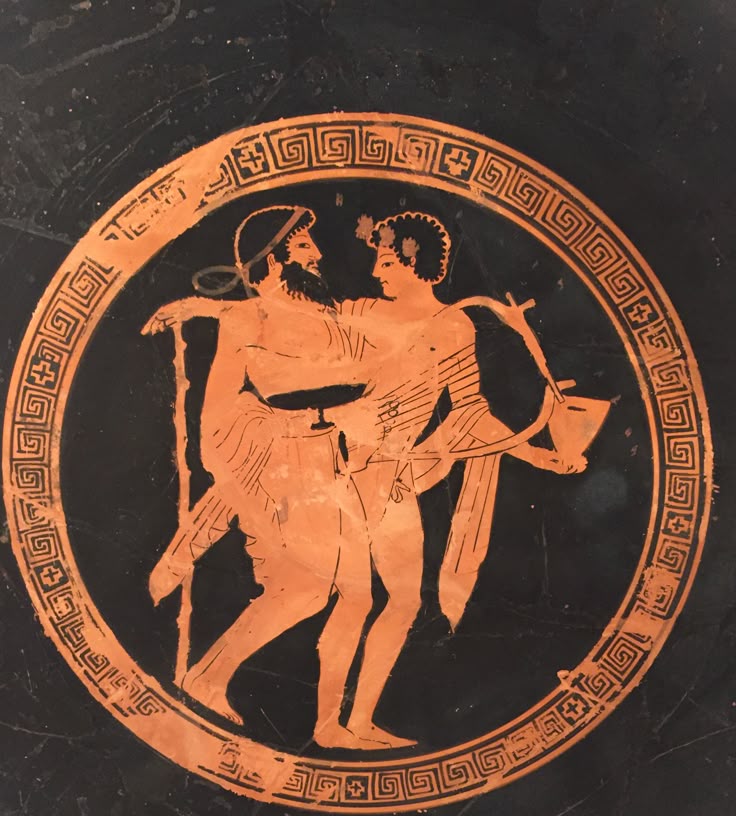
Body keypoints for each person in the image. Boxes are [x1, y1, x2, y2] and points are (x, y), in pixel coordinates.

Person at [319, 211, 587, 742]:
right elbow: (293, 319)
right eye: (378, 260)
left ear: (420, 266)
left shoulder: (453, 327)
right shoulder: (363, 311)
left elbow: (470, 411)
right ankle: (329, 724)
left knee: (401, 600)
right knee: (347, 595)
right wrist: (215, 308)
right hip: (340, 460)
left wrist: (537, 455)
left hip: (391, 472)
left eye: (388, 262)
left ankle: (356, 721)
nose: (376, 272)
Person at [143, 204, 387, 749]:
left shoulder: (330, 316)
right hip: (283, 466)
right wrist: (280, 444)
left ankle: (332, 727)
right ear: (273, 261)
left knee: (356, 595)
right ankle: (207, 678)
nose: (318, 255)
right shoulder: (247, 320)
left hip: (332, 463)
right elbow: (224, 417)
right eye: (303, 247)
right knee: (305, 588)